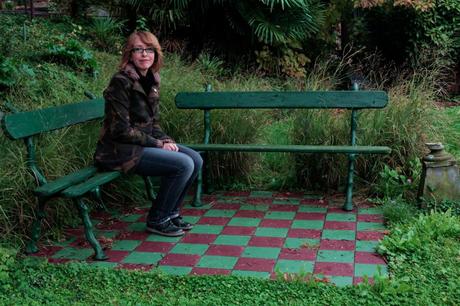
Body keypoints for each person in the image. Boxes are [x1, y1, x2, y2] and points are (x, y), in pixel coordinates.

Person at [94, 31, 202, 237]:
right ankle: (157, 219)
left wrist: (166, 140)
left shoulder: (151, 79)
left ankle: (171, 213)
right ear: (129, 54)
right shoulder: (121, 81)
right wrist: (158, 144)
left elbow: (153, 123)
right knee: (183, 164)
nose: (145, 54)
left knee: (195, 159)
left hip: (141, 145)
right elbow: (120, 130)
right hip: (119, 151)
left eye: (149, 49)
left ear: (156, 53)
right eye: (138, 49)